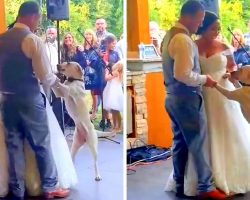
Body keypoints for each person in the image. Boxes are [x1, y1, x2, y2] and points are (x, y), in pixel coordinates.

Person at [166, 10, 250, 197]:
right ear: (203, 27)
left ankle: (227, 177)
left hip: (223, 94)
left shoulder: (225, 46)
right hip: (201, 93)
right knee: (200, 137)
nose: (217, 31)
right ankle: (204, 182)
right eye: (214, 28)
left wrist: (235, 80)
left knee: (226, 132)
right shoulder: (190, 45)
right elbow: (187, 70)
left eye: (219, 28)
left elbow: (233, 68)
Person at [0, 1, 71, 199]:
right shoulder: (32, 40)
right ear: (32, 16)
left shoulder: (1, 39)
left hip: (6, 99)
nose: (38, 22)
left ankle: (18, 190)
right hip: (29, 99)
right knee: (41, 143)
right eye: (38, 18)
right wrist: (62, 89)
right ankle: (49, 187)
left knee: (13, 144)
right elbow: (45, 76)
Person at [161, 1, 226, 199]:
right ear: (188, 16)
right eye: (199, 19)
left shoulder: (169, 35)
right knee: (198, 142)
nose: (200, 24)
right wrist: (204, 79)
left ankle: (179, 182)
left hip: (171, 97)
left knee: (179, 142)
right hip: (187, 98)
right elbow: (183, 74)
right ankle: (206, 188)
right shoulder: (183, 40)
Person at [103, 61, 123, 133]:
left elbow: (107, 78)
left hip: (113, 93)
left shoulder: (115, 72)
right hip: (113, 92)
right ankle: (116, 126)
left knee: (115, 111)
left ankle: (117, 126)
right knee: (115, 111)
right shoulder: (117, 73)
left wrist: (106, 72)